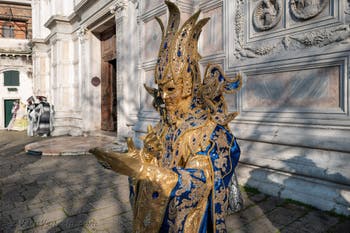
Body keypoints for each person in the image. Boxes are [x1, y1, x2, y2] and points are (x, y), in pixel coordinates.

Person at [90, 1, 242, 232]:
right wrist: (141, 159)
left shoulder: (208, 132)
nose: (163, 96)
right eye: (160, 88)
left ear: (188, 86)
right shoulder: (164, 125)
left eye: (170, 89)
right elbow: (157, 159)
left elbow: (202, 180)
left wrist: (145, 171)